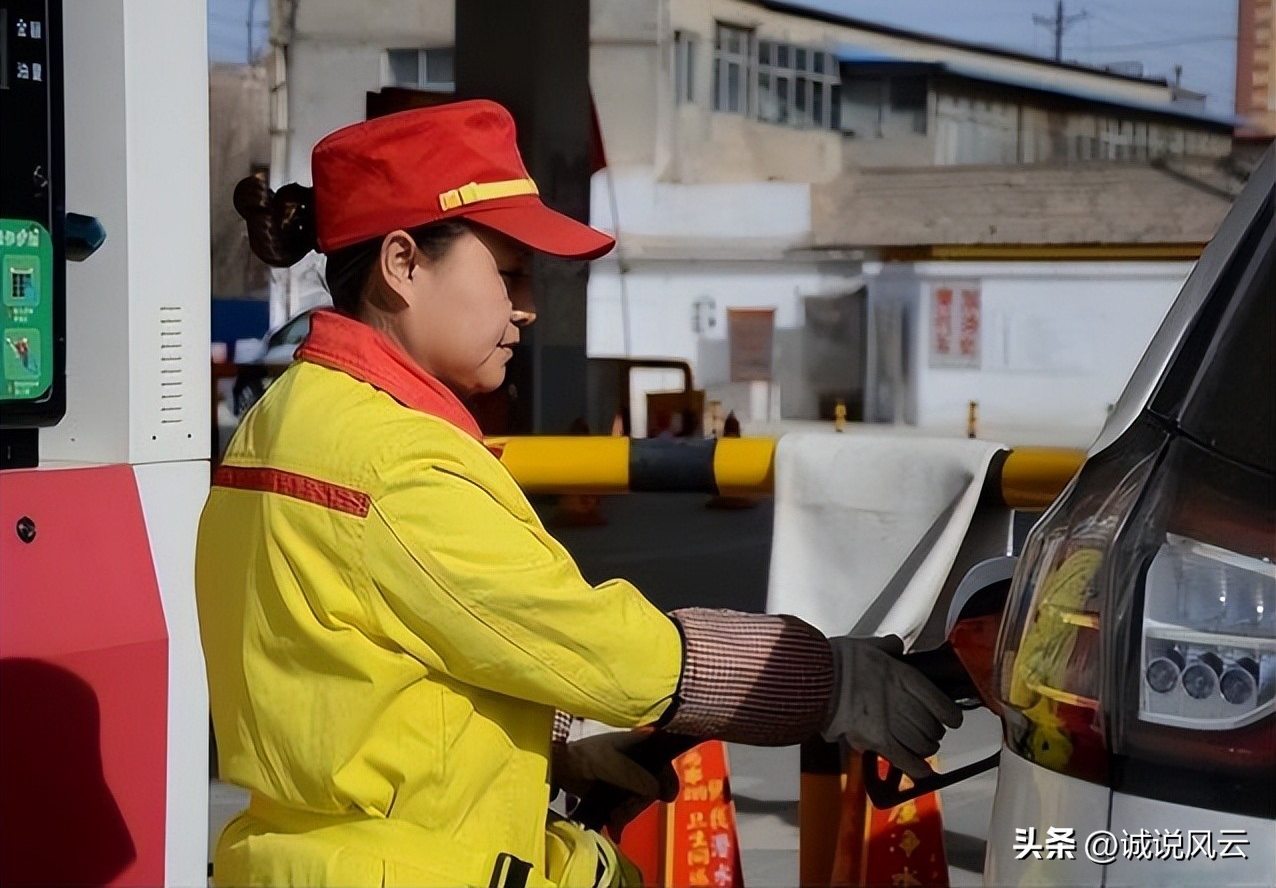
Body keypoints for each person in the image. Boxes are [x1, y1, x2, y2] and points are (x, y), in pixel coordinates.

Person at [196, 100, 962, 888]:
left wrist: (554, 752)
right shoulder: (395, 459)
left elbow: (359, 673)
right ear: (402, 264)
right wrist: (825, 681)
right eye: (510, 272)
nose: (527, 305)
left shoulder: (281, 422)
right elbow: (602, 648)